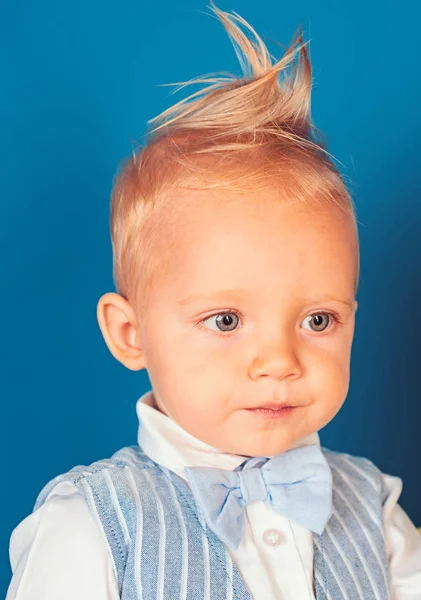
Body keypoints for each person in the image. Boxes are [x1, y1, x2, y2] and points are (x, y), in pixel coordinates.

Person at [6, 2, 421, 599]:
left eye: (318, 319)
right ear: (131, 334)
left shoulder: (376, 509)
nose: (279, 361)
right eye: (226, 320)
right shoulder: (90, 524)